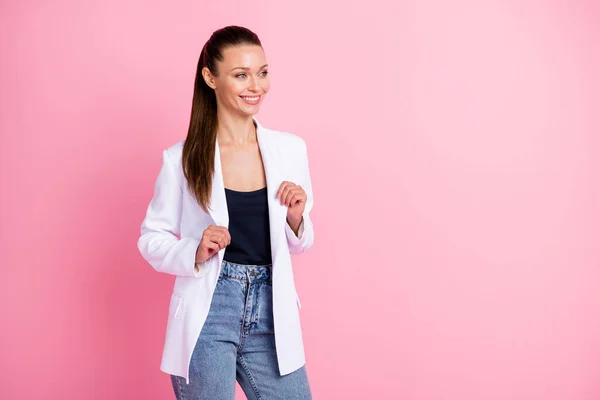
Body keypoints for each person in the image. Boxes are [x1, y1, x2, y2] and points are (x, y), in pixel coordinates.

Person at [137, 25, 315, 399]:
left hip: (272, 308)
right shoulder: (181, 159)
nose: (256, 86)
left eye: (263, 73)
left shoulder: (290, 151)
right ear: (210, 78)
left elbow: (299, 245)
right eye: (241, 75)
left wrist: (296, 218)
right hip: (209, 309)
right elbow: (151, 238)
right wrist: (194, 250)